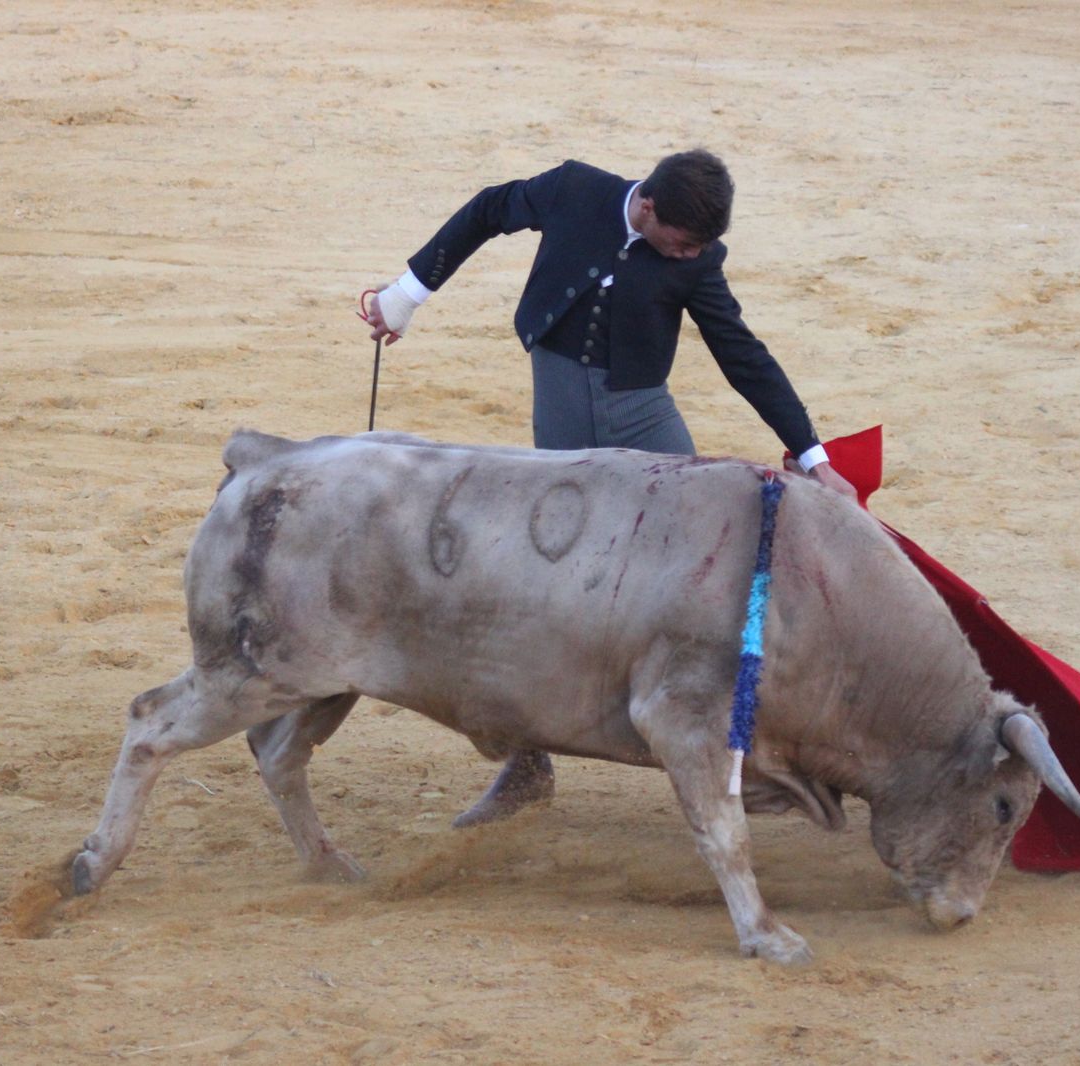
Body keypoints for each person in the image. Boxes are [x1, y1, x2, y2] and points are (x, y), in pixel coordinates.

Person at [364, 149, 855, 827]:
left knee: (711, 570)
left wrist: (813, 453)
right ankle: (526, 763)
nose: (688, 258)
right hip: (562, 419)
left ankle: (769, 742)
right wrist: (406, 294)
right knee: (546, 593)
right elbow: (487, 211)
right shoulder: (572, 191)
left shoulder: (698, 260)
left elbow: (741, 353)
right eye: (681, 244)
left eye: (699, 249)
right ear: (647, 208)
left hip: (644, 420)